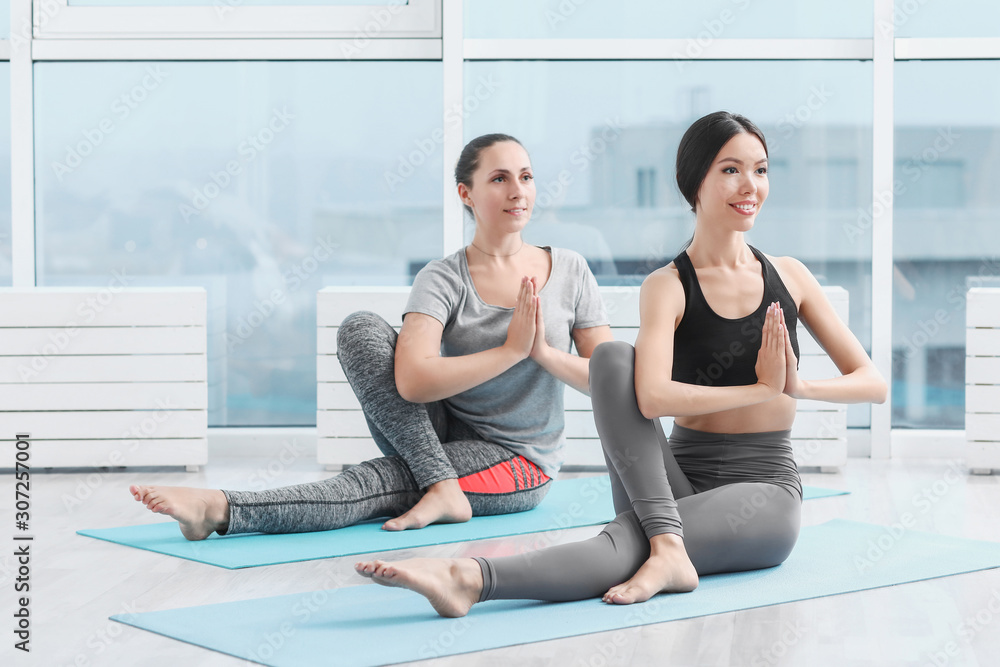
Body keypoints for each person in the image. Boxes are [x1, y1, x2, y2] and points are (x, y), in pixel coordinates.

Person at [353, 111, 888, 617]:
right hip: (672, 480)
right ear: (694, 183)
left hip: (764, 491)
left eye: (761, 170)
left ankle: (471, 578)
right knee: (612, 357)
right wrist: (758, 389)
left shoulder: (790, 275)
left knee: (628, 542)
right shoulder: (668, 286)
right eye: (731, 170)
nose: (751, 186)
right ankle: (666, 543)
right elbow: (650, 397)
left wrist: (795, 386)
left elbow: (872, 383)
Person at [129, 133, 614, 540]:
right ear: (465, 193)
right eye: (499, 178)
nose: (518, 191)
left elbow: (607, 380)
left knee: (381, 480)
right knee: (359, 326)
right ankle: (440, 483)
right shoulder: (443, 277)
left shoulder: (569, 269)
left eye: (525, 177)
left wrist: (541, 352)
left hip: (517, 460)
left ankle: (220, 509)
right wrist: (509, 351)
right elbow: (413, 381)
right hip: (434, 431)